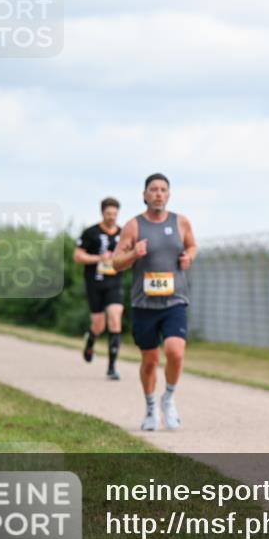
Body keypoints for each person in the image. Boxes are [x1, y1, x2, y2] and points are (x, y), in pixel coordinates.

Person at [112, 173, 196, 431]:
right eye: (153, 189)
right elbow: (115, 263)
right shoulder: (133, 226)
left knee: (175, 352)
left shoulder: (181, 222)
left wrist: (188, 258)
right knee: (150, 361)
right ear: (144, 195)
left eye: (163, 189)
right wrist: (133, 255)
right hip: (144, 304)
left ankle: (168, 398)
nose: (158, 193)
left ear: (168, 194)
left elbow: (192, 246)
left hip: (174, 300)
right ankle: (150, 407)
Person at [74, 197, 125, 380]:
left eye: (115, 214)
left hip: (115, 283)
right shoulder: (91, 233)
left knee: (115, 319)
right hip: (94, 283)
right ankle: (90, 340)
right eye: (108, 213)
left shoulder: (123, 234)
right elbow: (77, 256)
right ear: (102, 213)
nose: (112, 217)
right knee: (98, 325)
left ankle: (112, 368)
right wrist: (99, 258)